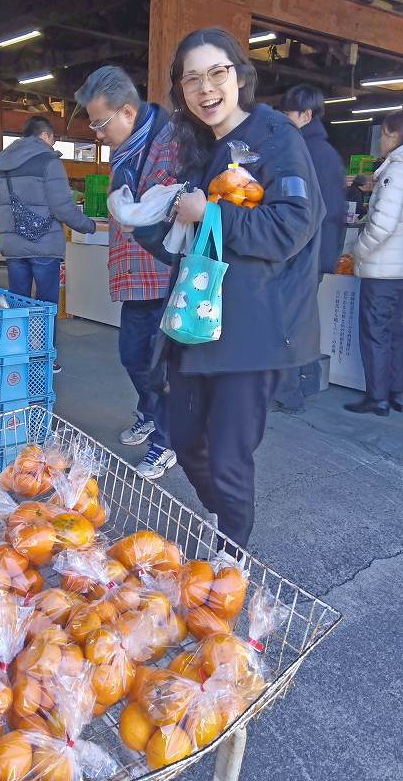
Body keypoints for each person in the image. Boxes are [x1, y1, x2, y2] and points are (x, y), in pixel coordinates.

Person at [134, 28, 324, 551]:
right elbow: (195, 247)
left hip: (254, 326)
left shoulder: (274, 137)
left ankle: (232, 553)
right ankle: (228, 514)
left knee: (227, 452)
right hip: (200, 321)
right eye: (191, 79)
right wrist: (152, 219)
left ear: (240, 76)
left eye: (216, 73)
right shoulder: (203, 148)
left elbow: (293, 226)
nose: (206, 88)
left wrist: (208, 213)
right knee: (184, 437)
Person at [75, 66, 177, 479]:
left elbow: (165, 205)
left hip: (161, 272)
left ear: (128, 113)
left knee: (159, 363)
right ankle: (151, 413)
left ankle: (168, 439)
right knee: (133, 354)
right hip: (136, 274)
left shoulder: (166, 145)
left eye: (101, 123)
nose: (98, 134)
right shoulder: (129, 148)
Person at [0, 115, 95, 373]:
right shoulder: (49, 160)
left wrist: (6, 232)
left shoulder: (4, 163)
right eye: (53, 138)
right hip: (43, 244)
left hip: (14, 246)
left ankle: (17, 354)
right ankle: (43, 358)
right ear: (45, 136)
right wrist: (88, 225)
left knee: (17, 302)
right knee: (45, 307)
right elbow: (62, 206)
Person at [275, 84, 346, 411]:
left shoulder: (304, 151)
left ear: (306, 114)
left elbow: (301, 211)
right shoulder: (326, 153)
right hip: (315, 254)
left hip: (301, 253)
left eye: (289, 113)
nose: (285, 119)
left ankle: (288, 395)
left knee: (287, 322)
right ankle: (296, 389)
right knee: (300, 322)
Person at [344, 111, 403, 417]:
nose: (381, 140)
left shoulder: (395, 171)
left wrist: (358, 250)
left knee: (376, 332)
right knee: (397, 332)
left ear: (393, 135)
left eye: (383, 134)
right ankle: (397, 393)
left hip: (383, 270)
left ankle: (377, 397)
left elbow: (381, 226)